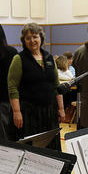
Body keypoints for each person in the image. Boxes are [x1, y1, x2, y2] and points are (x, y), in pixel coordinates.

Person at [8, 22, 64, 150]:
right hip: (29, 114)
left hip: (50, 112)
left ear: (41, 38)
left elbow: (56, 85)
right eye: (28, 38)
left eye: (35, 36)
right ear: (24, 41)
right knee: (33, 150)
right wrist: (16, 112)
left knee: (52, 148)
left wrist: (61, 108)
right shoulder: (18, 59)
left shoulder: (49, 58)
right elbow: (12, 88)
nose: (32, 40)